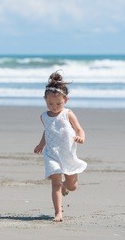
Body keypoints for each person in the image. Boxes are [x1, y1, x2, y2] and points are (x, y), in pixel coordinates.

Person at [34, 70, 87, 222]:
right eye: (50, 103)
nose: (54, 106)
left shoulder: (68, 113)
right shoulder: (44, 116)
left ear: (66, 100)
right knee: (55, 183)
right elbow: (48, 131)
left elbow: (79, 129)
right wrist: (41, 144)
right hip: (51, 154)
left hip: (67, 155)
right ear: (45, 100)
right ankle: (58, 213)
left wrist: (81, 137)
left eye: (58, 103)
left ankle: (66, 186)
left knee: (72, 187)